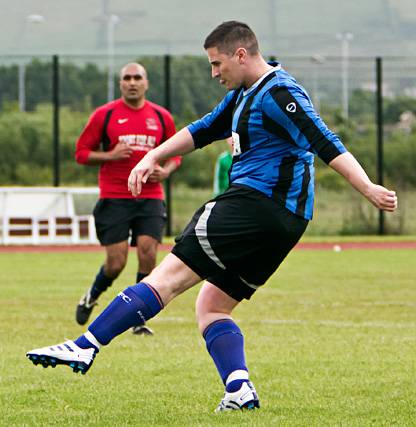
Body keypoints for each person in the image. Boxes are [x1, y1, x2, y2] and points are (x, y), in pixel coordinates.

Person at [26, 21, 397, 412]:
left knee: (166, 279)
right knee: (212, 306)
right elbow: (203, 130)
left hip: (254, 205)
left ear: (241, 54)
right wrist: (153, 155)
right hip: (287, 223)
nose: (214, 73)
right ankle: (239, 389)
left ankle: (85, 345)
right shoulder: (242, 95)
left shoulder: (280, 91)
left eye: (217, 64)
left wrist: (368, 187)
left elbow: (325, 140)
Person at [73, 62, 181, 336]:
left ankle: (137, 319)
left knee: (148, 253)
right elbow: (81, 153)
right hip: (115, 196)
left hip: (150, 196)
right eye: (127, 78)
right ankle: (91, 295)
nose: (132, 82)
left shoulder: (161, 116)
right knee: (116, 263)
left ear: (146, 83)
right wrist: (109, 156)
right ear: (121, 84)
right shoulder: (105, 115)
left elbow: (176, 153)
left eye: (137, 78)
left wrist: (165, 170)